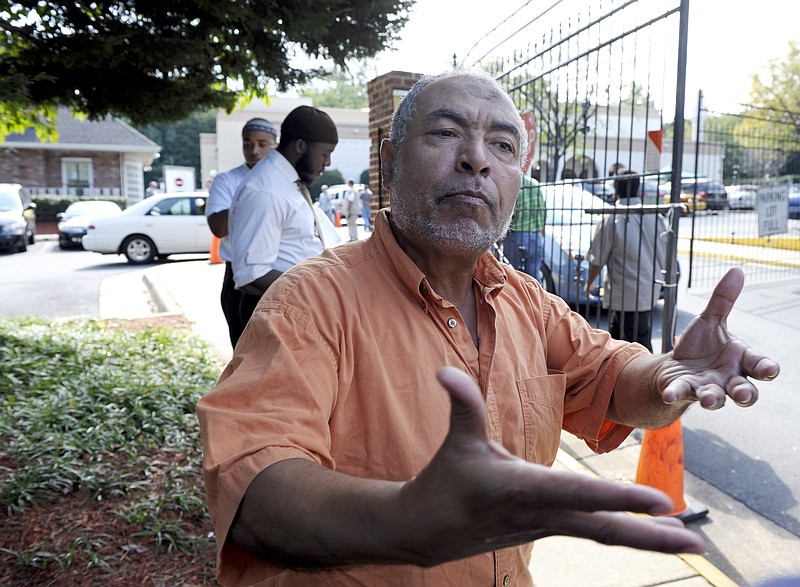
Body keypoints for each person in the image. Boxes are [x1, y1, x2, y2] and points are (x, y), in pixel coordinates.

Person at [197, 70, 779, 586]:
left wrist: (669, 377)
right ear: (390, 160)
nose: (477, 159)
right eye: (447, 133)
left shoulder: (526, 303)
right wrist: (409, 520)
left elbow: (610, 371)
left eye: (501, 145)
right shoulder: (310, 301)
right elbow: (253, 487)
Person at [226, 105, 339, 346]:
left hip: (294, 309)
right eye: (325, 153)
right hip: (274, 318)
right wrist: (317, 289)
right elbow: (252, 274)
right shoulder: (266, 190)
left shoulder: (287, 183)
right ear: (300, 146)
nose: (327, 163)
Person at [205, 117, 278, 348]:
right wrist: (253, 202)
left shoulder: (283, 180)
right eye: (248, 144)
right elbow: (218, 227)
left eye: (262, 144)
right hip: (237, 277)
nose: (254, 150)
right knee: (243, 353)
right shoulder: (228, 180)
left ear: (274, 144)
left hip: (274, 273)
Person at [584, 170, 669, 352]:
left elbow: (597, 258)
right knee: (638, 340)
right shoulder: (654, 216)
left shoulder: (611, 218)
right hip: (648, 291)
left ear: (616, 190)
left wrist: (590, 282)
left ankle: (641, 378)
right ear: (638, 189)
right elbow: (665, 255)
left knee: (627, 348)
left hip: (623, 293)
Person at [504, 173, 546, 281]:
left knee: (514, 276)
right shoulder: (535, 184)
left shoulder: (514, 183)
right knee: (534, 277)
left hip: (516, 234)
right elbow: (542, 212)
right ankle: (536, 297)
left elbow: (508, 213)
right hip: (535, 236)